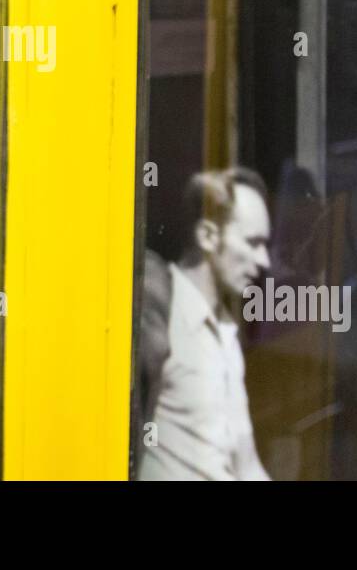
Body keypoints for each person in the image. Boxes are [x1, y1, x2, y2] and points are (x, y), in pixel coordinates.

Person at [136, 167, 272, 480]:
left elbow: (247, 465)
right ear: (208, 236)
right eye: (253, 243)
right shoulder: (159, 313)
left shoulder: (225, 330)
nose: (264, 260)